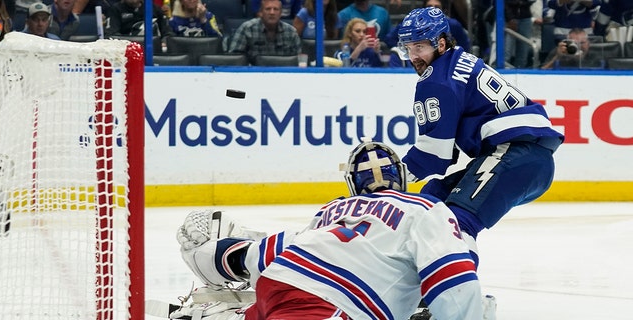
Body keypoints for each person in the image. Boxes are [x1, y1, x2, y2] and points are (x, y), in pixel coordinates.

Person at [176, 139, 490, 320]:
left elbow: (272, 250)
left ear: (353, 186)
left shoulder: (333, 210)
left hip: (278, 283)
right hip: (331, 304)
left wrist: (218, 254)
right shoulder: (425, 208)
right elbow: (453, 283)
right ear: (402, 181)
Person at [397, 8, 564, 245]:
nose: (413, 56)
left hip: (513, 155)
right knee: (431, 200)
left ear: (441, 43)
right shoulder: (460, 59)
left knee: (456, 227)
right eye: (409, 48)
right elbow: (447, 149)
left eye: (420, 47)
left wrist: (393, 176)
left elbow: (434, 155)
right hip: (528, 160)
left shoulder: (436, 81)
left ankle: (458, 282)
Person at [385, 0, 470, 68]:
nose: (433, 9)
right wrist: (411, 47)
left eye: (437, 7)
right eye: (429, 6)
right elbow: (390, 38)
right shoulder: (413, 25)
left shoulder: (453, 25)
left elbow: (465, 46)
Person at [227, 0, 301, 66]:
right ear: (261, 13)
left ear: (281, 13)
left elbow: (299, 60)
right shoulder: (247, 29)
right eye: (268, 9)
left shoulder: (291, 32)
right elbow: (234, 59)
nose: (272, 12)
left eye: (276, 9)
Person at [541, 27, 605, 69]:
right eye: (575, 43)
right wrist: (557, 57)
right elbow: (542, 72)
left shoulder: (595, 54)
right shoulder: (559, 51)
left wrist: (580, 60)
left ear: (588, 43)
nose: (579, 46)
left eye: (582, 43)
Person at [105, 0, 172, 37]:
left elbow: (167, 32)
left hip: (153, 49)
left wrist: (165, 41)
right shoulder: (116, 9)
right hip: (127, 49)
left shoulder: (154, 8)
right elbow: (112, 34)